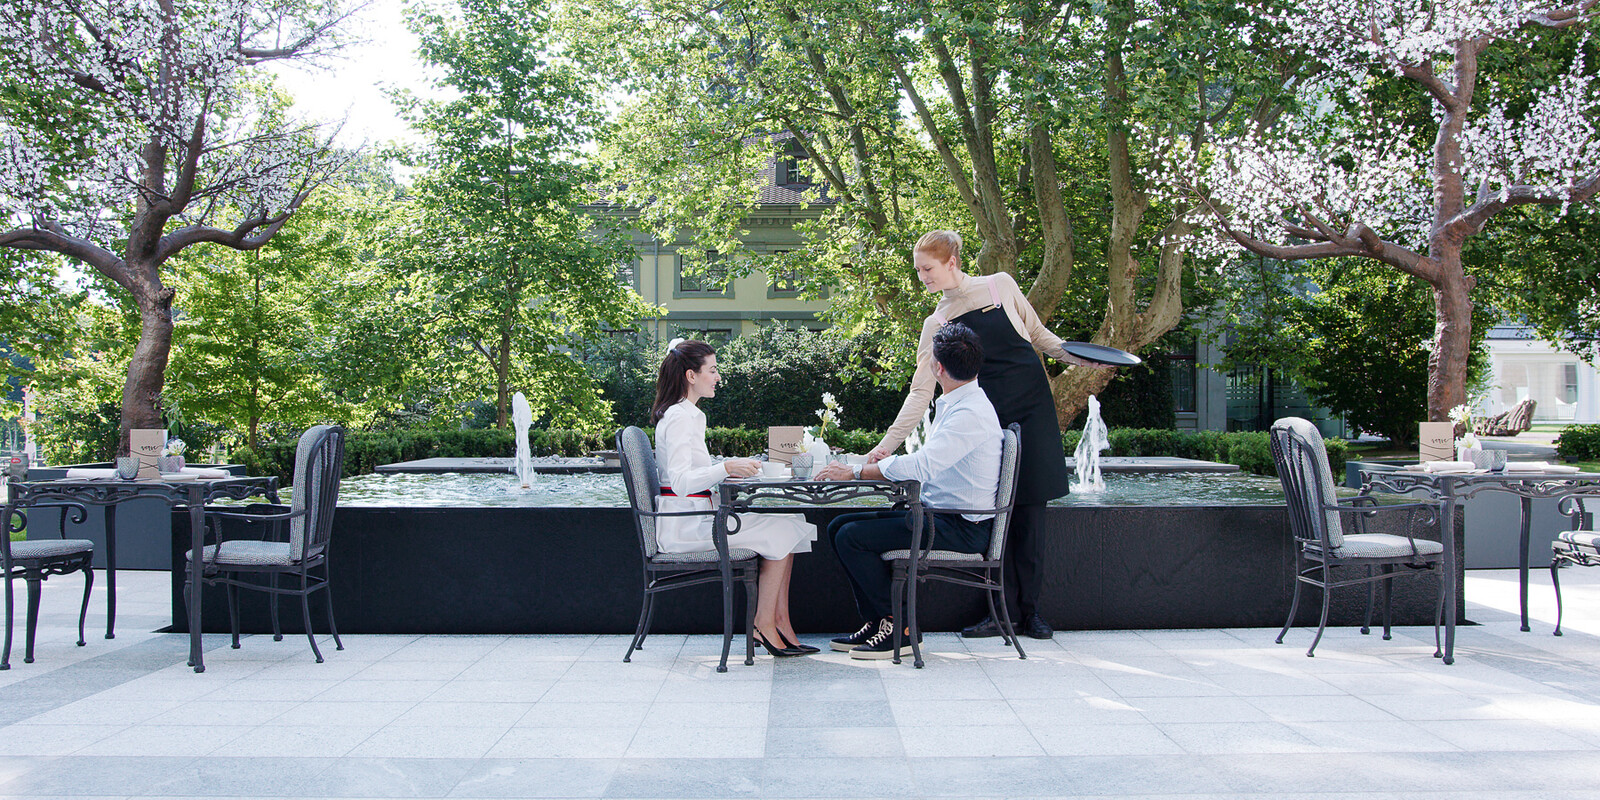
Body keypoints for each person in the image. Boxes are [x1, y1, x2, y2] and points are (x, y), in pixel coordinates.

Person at [866, 230, 1111, 641]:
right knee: (993, 513)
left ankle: (1030, 613)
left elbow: (1044, 340)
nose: (922, 277)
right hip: (984, 426)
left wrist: (1089, 360)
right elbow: (921, 391)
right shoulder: (936, 323)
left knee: (1031, 515)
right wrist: (887, 445)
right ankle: (995, 612)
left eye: (927, 269)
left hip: (1032, 414)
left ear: (951, 262)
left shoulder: (1001, 285)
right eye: (918, 270)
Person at [815, 323, 1002, 659]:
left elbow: (921, 467)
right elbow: (928, 463)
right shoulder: (962, 403)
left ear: (938, 368)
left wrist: (856, 471)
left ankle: (899, 626)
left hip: (962, 527)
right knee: (838, 526)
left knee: (850, 537)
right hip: (942, 514)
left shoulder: (969, 413)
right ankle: (877, 621)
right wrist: (885, 464)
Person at [653, 338, 819, 657]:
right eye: (712, 370)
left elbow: (696, 475)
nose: (718, 377)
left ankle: (779, 620)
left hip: (702, 517)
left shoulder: (690, 415)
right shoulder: (678, 417)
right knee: (783, 528)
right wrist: (724, 467)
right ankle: (763, 624)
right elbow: (680, 481)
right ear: (691, 375)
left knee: (792, 520)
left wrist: (731, 471)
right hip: (685, 527)